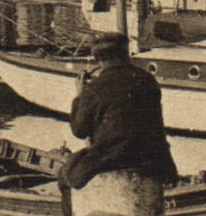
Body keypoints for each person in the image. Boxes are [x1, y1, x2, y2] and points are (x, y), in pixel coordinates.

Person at [60, 31, 177, 193]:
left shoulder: (94, 88)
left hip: (114, 160)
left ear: (97, 58)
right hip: (154, 158)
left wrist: (79, 96)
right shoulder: (147, 79)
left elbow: (79, 131)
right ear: (125, 53)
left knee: (66, 176)